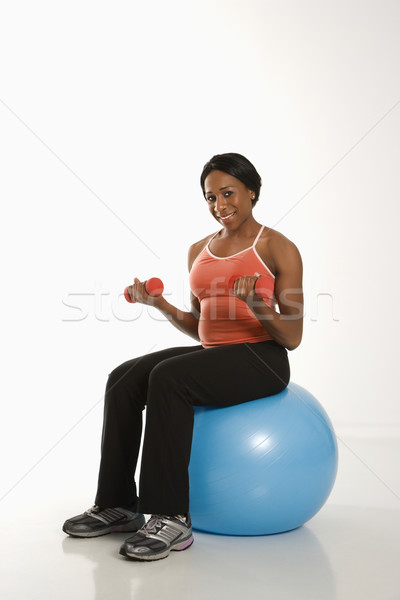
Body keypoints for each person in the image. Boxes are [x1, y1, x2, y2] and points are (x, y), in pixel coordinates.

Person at [62, 152, 304, 561]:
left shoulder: (278, 248)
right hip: (215, 355)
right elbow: (199, 325)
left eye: (228, 194)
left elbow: (293, 337)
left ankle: (172, 516)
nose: (220, 206)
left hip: (263, 359)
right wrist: (159, 304)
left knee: (170, 378)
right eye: (210, 198)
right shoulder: (198, 251)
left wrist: (258, 306)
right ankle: (118, 504)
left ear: (252, 191)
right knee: (123, 377)